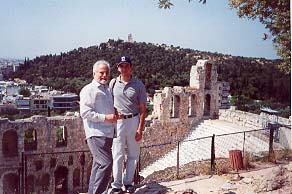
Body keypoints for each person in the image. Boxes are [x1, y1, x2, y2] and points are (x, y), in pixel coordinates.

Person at [110, 56, 147, 194]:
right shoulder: (113, 83)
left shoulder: (138, 85)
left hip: (133, 120)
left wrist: (140, 129)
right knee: (117, 154)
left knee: (133, 154)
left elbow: (143, 109)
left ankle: (128, 182)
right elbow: (109, 102)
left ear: (131, 67)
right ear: (118, 68)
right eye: (121, 66)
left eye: (126, 66)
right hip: (118, 122)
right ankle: (116, 185)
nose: (124, 68)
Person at [80, 60, 117, 194]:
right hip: (96, 133)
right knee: (106, 163)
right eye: (101, 72)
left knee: (98, 165)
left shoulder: (106, 90)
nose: (104, 75)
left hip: (107, 133)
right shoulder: (89, 90)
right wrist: (105, 117)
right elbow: (85, 112)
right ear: (94, 73)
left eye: (107, 73)